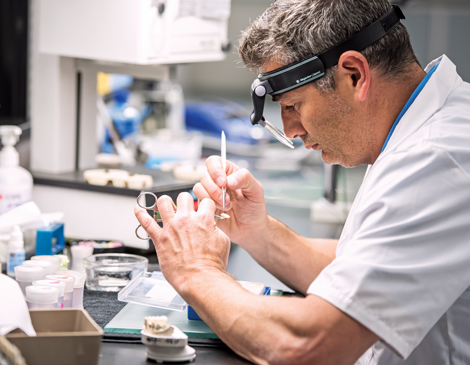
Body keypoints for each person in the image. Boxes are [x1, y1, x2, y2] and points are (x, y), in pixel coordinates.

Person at [135, 0, 470, 364]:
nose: (291, 131)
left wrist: (195, 271)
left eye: (292, 105)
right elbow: (359, 273)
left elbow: (307, 345)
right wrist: (258, 232)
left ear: (354, 74)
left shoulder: (437, 159)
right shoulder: (420, 127)